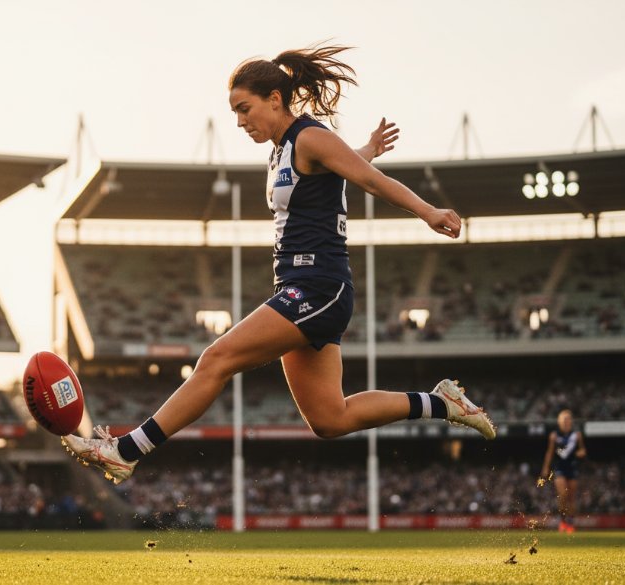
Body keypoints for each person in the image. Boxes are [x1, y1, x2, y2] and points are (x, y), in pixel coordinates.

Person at [63, 44, 495, 485]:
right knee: (330, 419)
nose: (239, 121)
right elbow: (339, 167)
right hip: (300, 288)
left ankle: (126, 450)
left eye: (244, 108)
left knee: (216, 359)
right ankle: (443, 404)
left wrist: (429, 212)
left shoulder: (309, 136)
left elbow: (369, 180)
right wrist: (364, 147)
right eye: (234, 112)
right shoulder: (283, 149)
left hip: (318, 288)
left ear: (275, 98)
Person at [540, 409, 586, 533]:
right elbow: (549, 452)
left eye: (568, 419)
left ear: (571, 422)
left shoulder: (576, 435)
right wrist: (545, 468)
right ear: (559, 422)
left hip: (572, 467)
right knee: (563, 495)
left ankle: (570, 523)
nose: (566, 422)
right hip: (559, 468)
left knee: (571, 497)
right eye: (563, 420)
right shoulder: (554, 436)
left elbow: (582, 451)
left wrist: (578, 453)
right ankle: (562, 521)